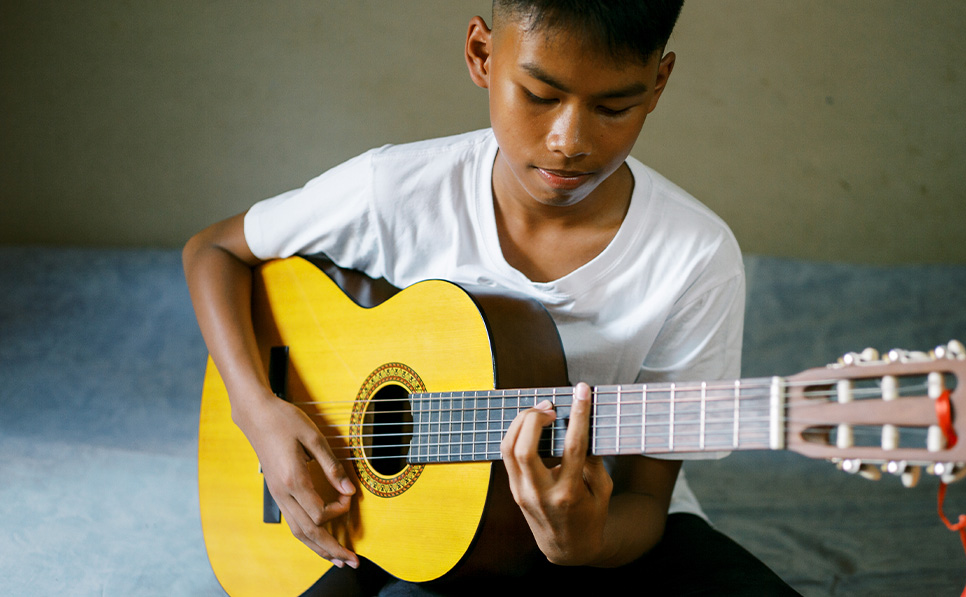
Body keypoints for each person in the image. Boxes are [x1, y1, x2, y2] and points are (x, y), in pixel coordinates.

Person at [184, 1, 799, 594]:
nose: (569, 140)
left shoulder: (696, 255)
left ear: (659, 83)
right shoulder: (394, 189)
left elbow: (646, 497)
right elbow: (213, 251)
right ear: (482, 53)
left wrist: (587, 543)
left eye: (614, 106)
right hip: (386, 526)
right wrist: (256, 408)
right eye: (539, 96)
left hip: (597, 532)